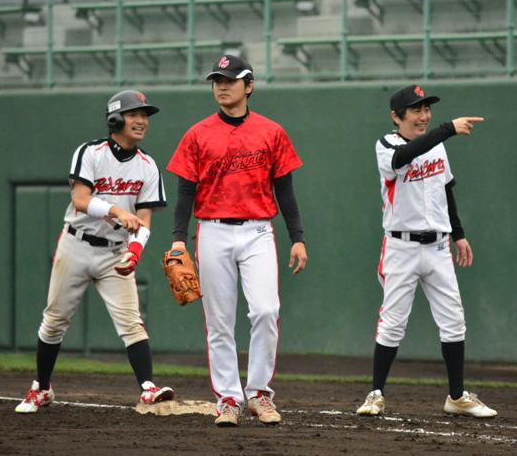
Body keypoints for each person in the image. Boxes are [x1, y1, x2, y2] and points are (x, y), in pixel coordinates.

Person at [167, 55, 307, 427]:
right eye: (217, 80)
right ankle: (228, 399)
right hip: (212, 230)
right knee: (219, 321)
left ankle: (259, 393)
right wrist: (179, 239)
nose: (222, 86)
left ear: (249, 85)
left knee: (265, 310)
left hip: (258, 230)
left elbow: (285, 191)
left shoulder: (271, 131)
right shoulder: (197, 134)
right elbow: (184, 192)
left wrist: (297, 237)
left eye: (230, 80)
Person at [15, 90, 174, 413]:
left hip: (115, 251)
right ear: (115, 119)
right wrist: (116, 211)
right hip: (76, 244)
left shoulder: (147, 166)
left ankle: (147, 387)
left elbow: (144, 220)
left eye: (144, 115)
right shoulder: (91, 152)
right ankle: (41, 388)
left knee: (131, 322)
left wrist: (135, 250)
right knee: (54, 321)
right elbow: (81, 200)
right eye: (134, 114)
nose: (142, 121)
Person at [356, 84, 497, 418]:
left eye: (427, 109)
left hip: (438, 247)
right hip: (401, 247)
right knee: (393, 323)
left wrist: (459, 234)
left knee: (454, 321)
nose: (424, 116)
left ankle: (456, 396)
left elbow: (445, 191)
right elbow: (402, 157)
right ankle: (376, 394)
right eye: (416, 110)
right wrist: (447, 129)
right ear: (396, 116)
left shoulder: (436, 146)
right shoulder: (386, 145)